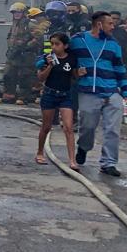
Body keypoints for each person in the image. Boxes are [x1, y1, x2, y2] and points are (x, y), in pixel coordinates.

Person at [71, 11, 127, 176]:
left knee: (113, 129)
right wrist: (75, 71)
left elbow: (119, 67)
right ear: (99, 24)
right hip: (88, 91)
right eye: (110, 24)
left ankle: (108, 163)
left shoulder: (113, 44)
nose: (113, 27)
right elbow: (65, 59)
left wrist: (126, 89)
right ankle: (83, 147)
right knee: (87, 126)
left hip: (111, 91)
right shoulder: (78, 40)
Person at [35, 33, 81, 169]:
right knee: (46, 126)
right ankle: (40, 152)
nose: (54, 47)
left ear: (65, 46)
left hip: (65, 95)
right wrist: (49, 65)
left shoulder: (72, 58)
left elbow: (74, 75)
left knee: (68, 127)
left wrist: (80, 73)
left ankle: (72, 160)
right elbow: (41, 77)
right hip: (50, 94)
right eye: (52, 44)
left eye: (57, 44)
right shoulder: (47, 58)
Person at [3, 2, 33, 102]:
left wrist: (26, 47)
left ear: (24, 13)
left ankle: (23, 97)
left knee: (24, 76)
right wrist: (10, 48)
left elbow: (37, 38)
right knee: (8, 74)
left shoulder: (30, 24)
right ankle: (9, 95)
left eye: (18, 12)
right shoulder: (14, 24)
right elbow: (10, 37)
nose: (16, 14)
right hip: (13, 54)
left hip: (24, 55)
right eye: (14, 12)